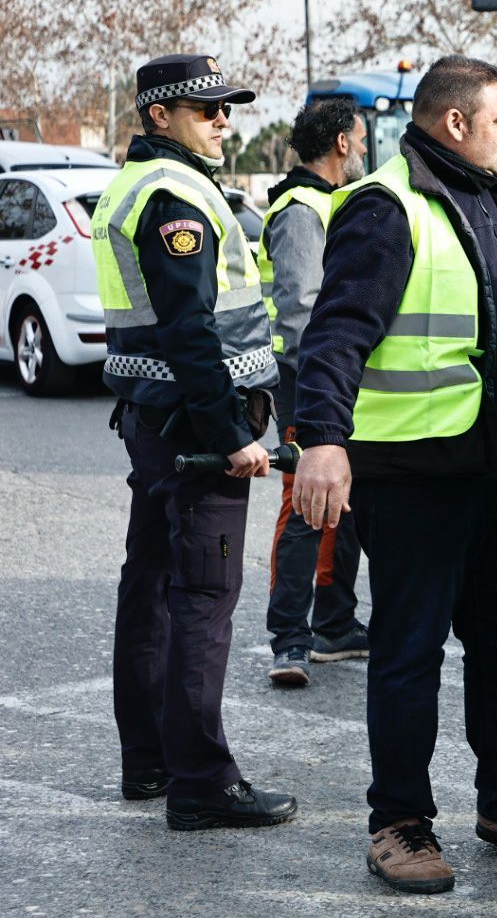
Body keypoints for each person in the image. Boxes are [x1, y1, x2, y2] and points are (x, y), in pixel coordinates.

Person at [290, 55, 497, 895]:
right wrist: (323, 439)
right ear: (455, 123)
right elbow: (336, 332)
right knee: (409, 654)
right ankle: (399, 823)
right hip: (416, 475)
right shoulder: (388, 207)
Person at [91, 53, 297, 830]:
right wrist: (231, 436)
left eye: (227, 107)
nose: (223, 120)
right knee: (203, 601)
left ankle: (149, 761)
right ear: (157, 116)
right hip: (197, 430)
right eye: (205, 108)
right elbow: (190, 331)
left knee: (149, 587)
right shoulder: (174, 196)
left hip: (153, 422)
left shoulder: (139, 186)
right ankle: (202, 783)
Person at [260, 97, 369, 687]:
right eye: (362, 138)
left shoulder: (332, 203)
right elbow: (303, 312)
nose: (366, 151)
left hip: (333, 382)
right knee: (305, 508)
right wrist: (333, 385)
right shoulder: (303, 210)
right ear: (342, 144)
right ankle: (289, 639)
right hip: (310, 382)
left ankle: (334, 624)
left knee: (343, 506)